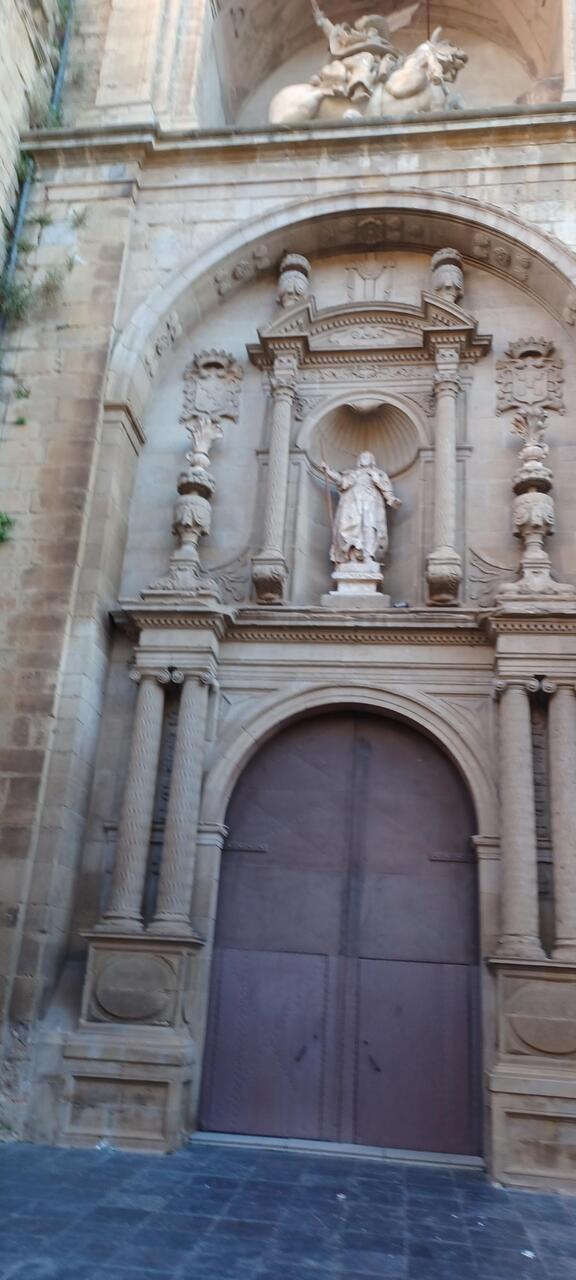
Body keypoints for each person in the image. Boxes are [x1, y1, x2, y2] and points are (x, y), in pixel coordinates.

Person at [322, 451, 401, 565]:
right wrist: (328, 471)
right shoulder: (352, 473)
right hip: (352, 503)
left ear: (372, 460)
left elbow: (386, 489)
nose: (364, 458)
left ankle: (368, 555)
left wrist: (391, 499)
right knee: (349, 526)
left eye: (367, 457)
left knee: (370, 527)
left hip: (371, 502)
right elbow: (341, 481)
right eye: (362, 457)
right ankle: (351, 556)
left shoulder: (378, 474)